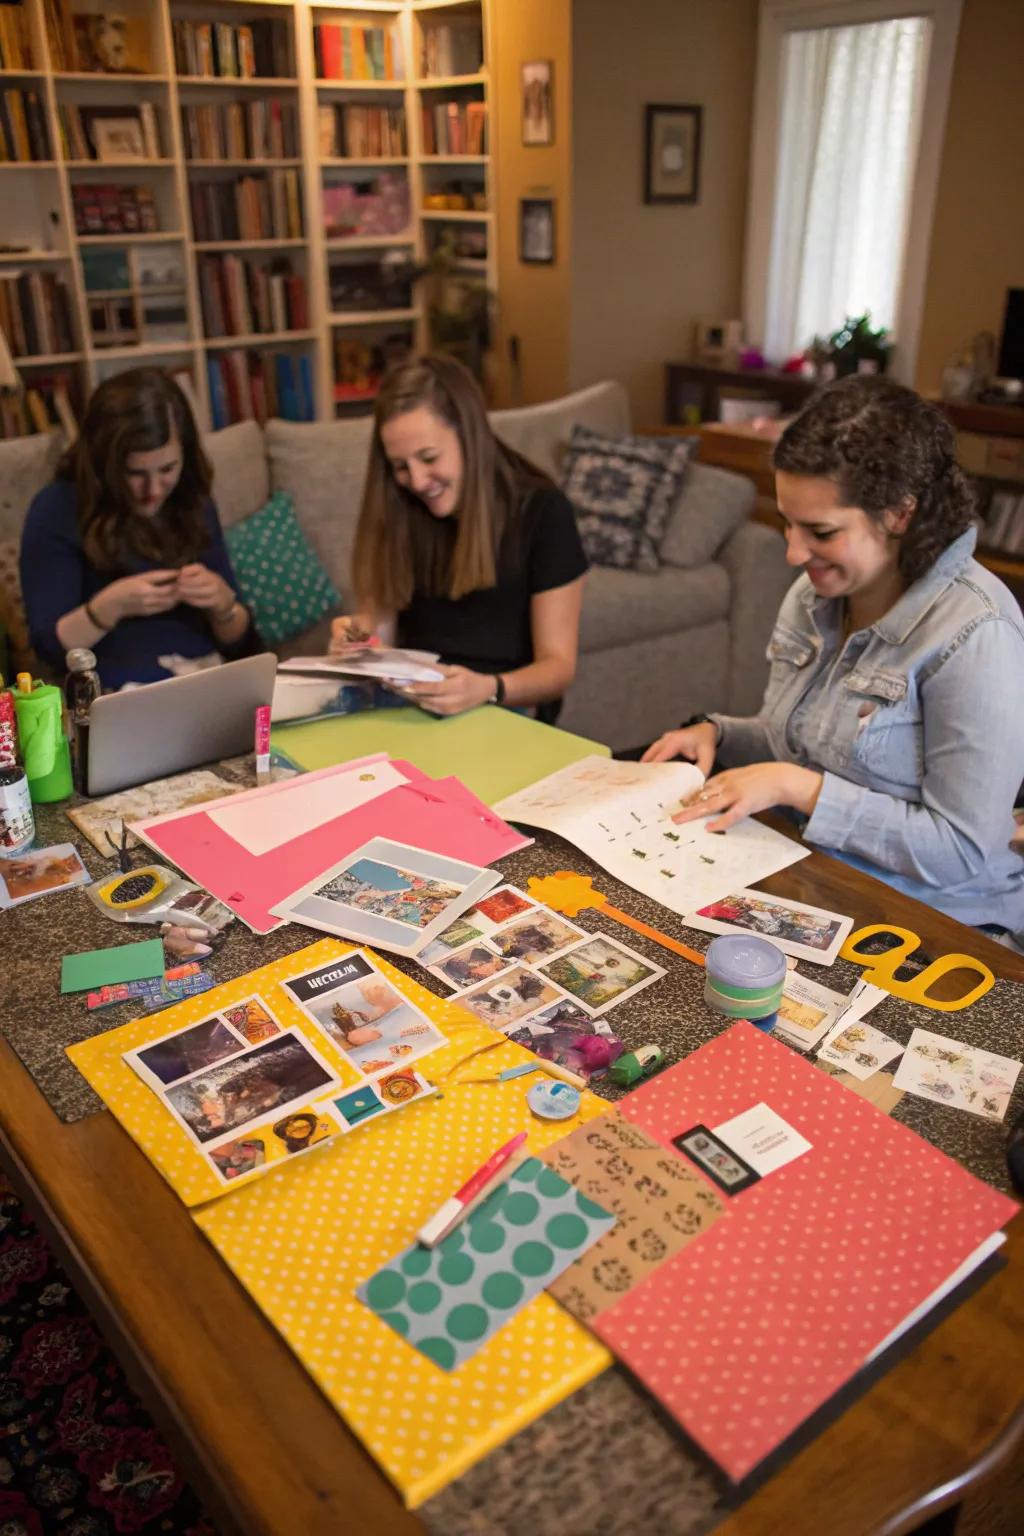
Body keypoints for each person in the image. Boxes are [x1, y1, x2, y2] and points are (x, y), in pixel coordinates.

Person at [643, 374, 1024, 935]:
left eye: (820, 530)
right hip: (816, 877)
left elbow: (961, 850)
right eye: (788, 523)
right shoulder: (818, 593)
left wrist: (799, 789)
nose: (795, 553)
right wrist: (718, 734)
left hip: (938, 927)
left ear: (900, 514)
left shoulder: (976, 634)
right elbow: (805, 743)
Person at [328, 353, 587, 717]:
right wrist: (357, 637)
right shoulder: (400, 502)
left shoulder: (542, 511)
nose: (417, 481)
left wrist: (487, 688)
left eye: (430, 458)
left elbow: (558, 668)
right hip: (414, 700)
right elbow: (377, 626)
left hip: (502, 702)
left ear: (470, 436)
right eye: (401, 466)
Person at [20, 368, 256, 690]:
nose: (153, 489)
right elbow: (49, 650)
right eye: (134, 473)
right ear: (104, 463)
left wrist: (224, 605)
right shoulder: (56, 508)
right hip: (115, 691)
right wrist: (109, 607)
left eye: (167, 469)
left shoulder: (191, 500)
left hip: (204, 678)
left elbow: (241, 643)